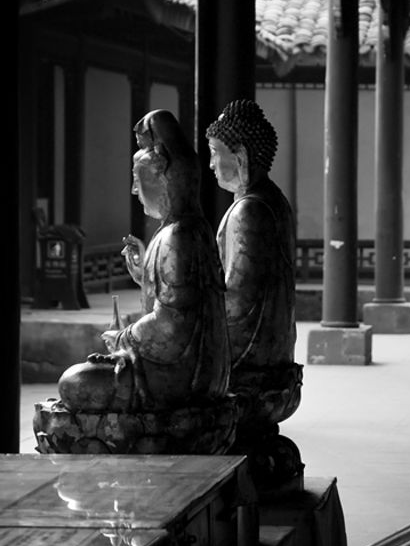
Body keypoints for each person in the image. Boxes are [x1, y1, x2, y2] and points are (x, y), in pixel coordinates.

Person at [58, 109, 231, 414]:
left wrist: (123, 338)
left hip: (177, 378)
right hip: (199, 372)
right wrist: (145, 277)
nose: (134, 191)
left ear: (163, 180)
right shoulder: (192, 229)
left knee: (74, 382)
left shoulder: (177, 236)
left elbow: (171, 325)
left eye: (138, 180)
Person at [206, 99, 303, 483]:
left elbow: (239, 302)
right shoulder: (274, 201)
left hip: (249, 367)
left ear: (241, 156)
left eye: (216, 153)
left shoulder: (249, 210)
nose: (211, 165)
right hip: (278, 361)